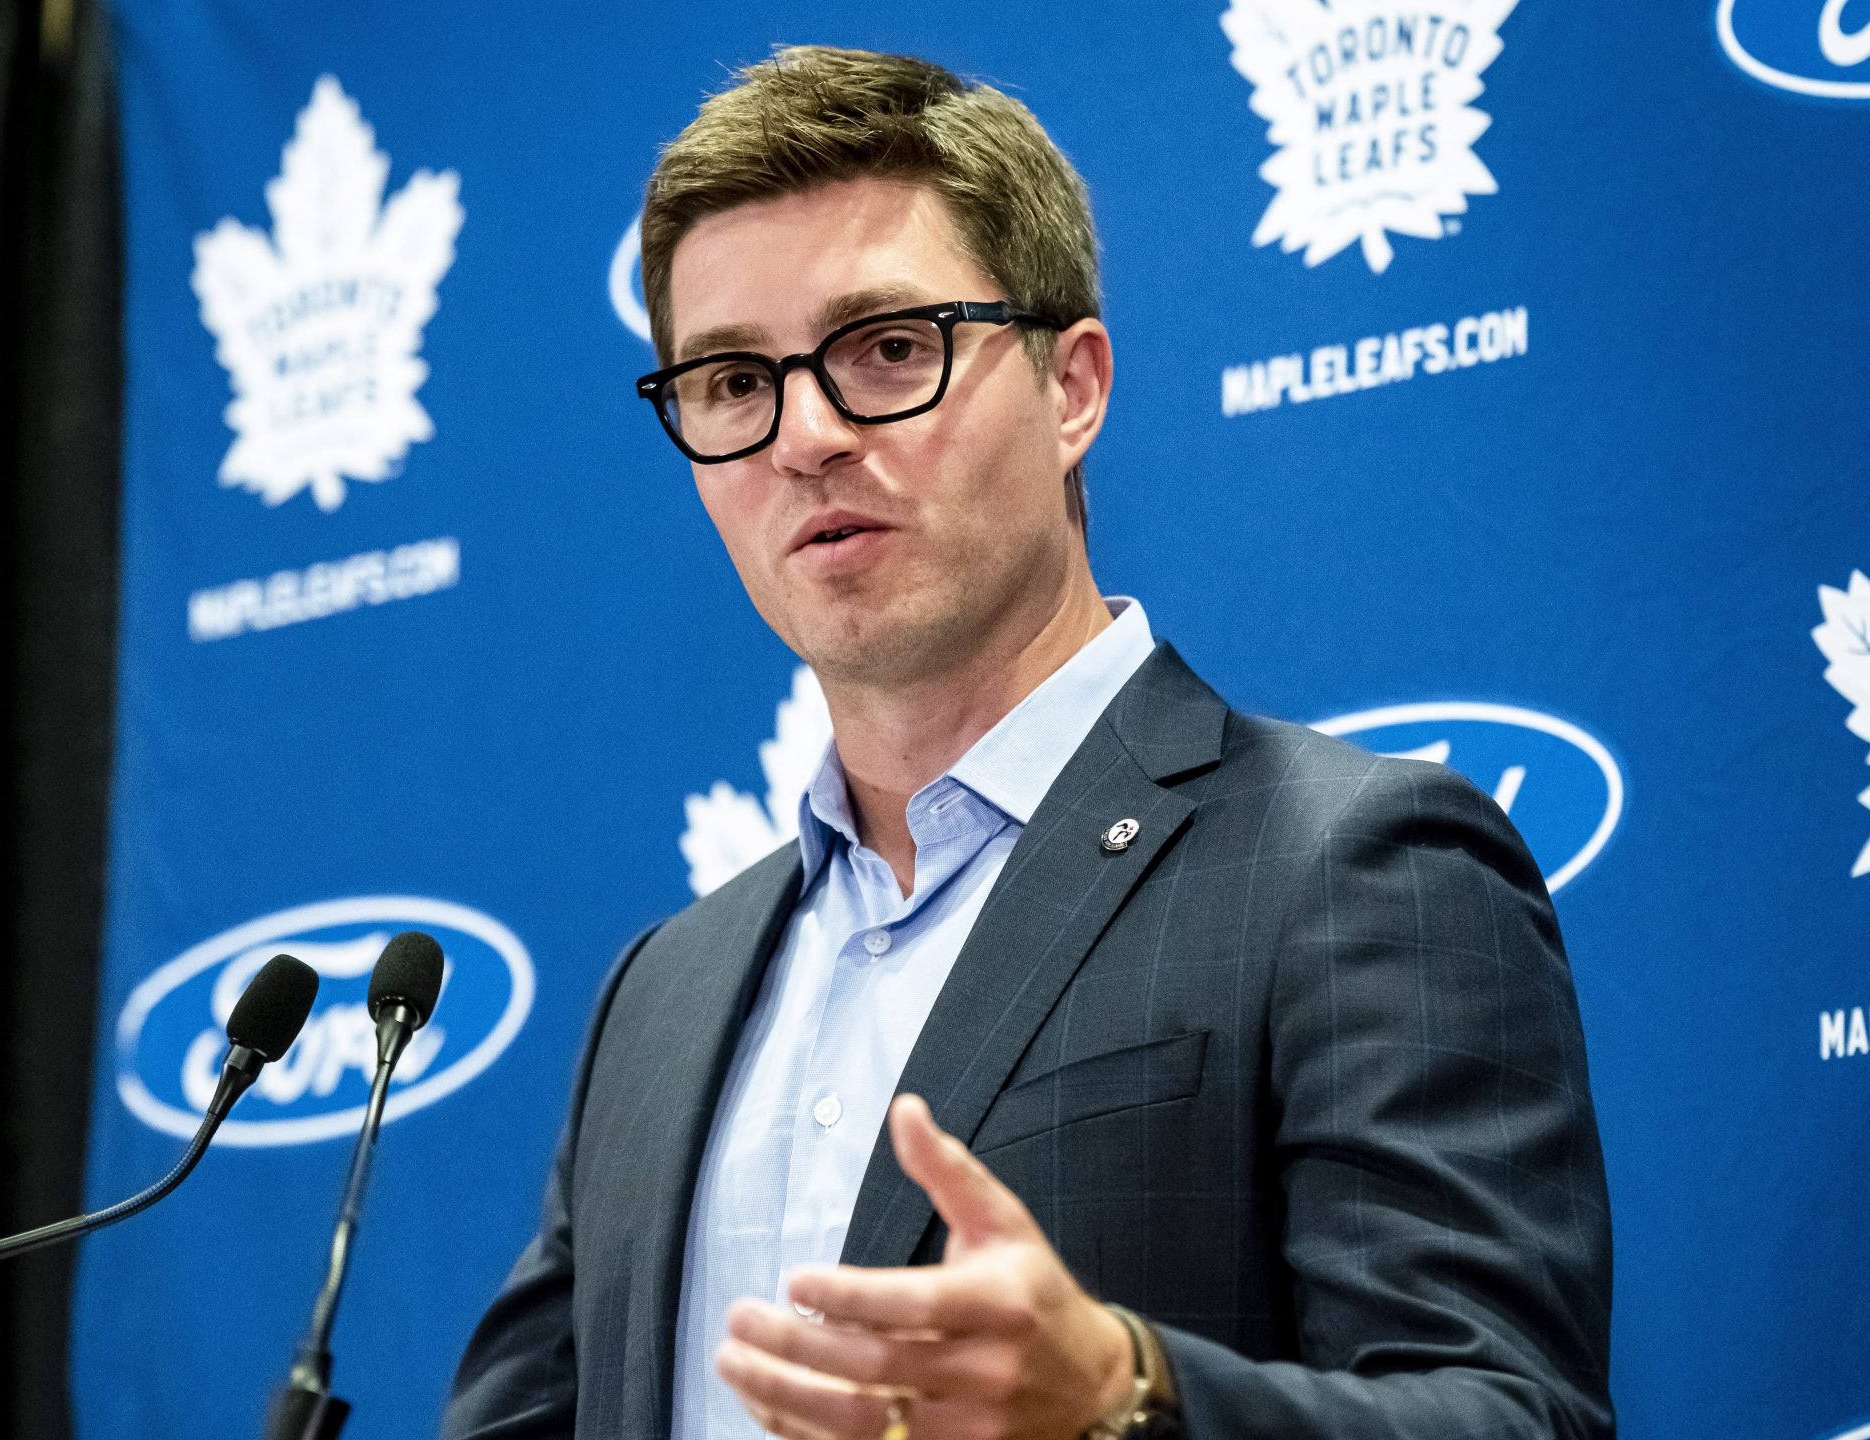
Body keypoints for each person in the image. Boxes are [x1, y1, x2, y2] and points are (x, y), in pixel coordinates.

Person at [443, 45, 1611, 1440]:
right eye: (732, 382)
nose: (803, 435)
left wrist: (1127, 1397)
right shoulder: (662, 992)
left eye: (887, 349)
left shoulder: (1349, 867)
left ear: (1073, 390)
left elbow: (1508, 1418)